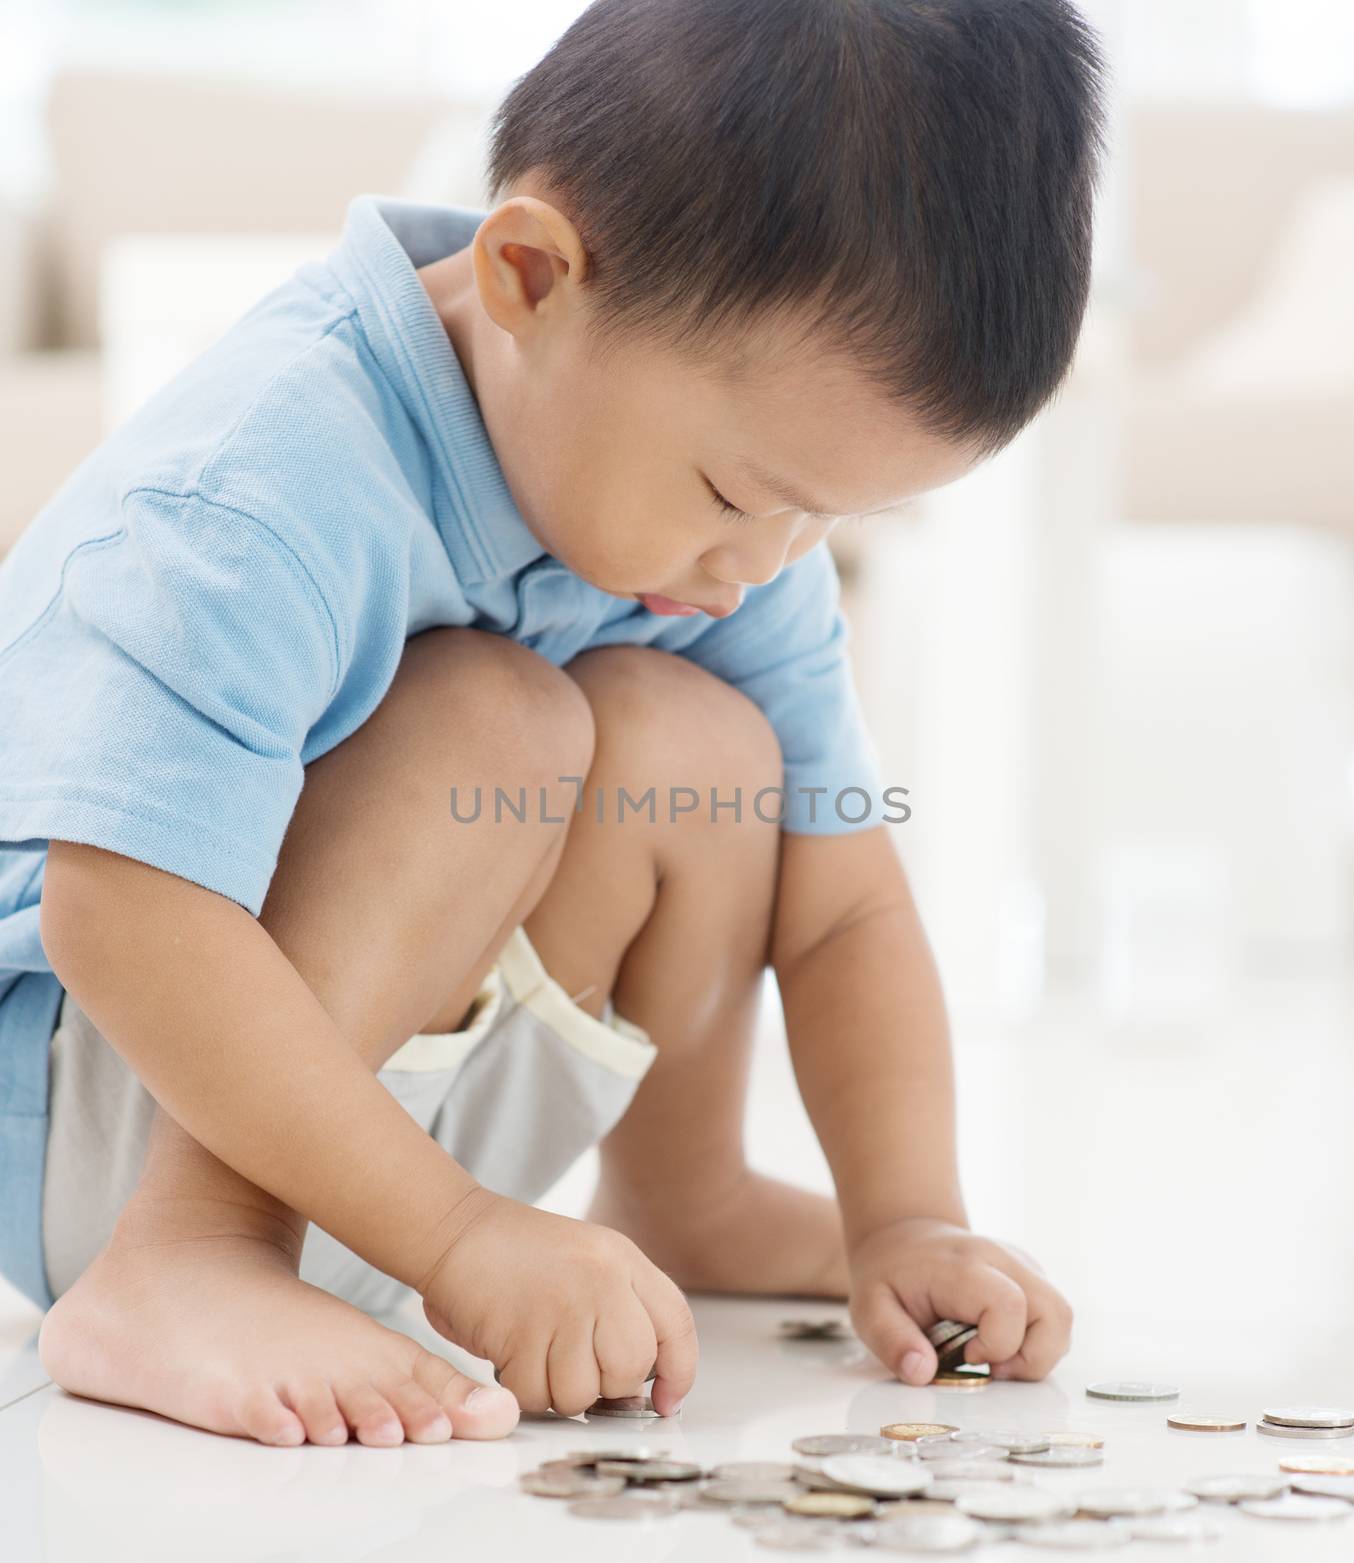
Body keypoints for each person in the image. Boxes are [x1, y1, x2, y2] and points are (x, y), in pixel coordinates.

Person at [0, 0, 1106, 1447]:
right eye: (735, 493)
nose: (765, 564)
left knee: (703, 752)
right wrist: (453, 1234)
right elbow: (121, 912)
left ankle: (681, 1193)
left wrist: (905, 1214)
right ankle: (192, 1255)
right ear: (529, 276)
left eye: (824, 516)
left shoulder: (717, 541)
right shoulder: (259, 487)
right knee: (492, 719)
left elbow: (837, 907)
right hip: (110, 1093)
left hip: (377, 1121)